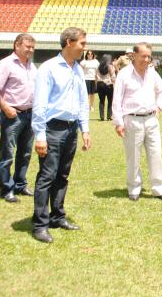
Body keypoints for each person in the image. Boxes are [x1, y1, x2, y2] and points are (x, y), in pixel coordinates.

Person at [31, 27, 91, 244]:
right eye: (82, 43)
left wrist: (84, 129)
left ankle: (57, 216)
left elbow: (83, 101)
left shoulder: (77, 69)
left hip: (70, 128)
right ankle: (40, 223)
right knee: (47, 175)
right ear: (68, 42)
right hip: (51, 128)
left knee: (62, 175)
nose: (85, 47)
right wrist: (40, 135)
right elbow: (39, 104)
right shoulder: (48, 68)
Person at [112, 42, 162, 202]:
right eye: (143, 56)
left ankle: (158, 188)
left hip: (151, 119)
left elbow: (161, 89)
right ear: (134, 55)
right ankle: (134, 188)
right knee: (133, 156)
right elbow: (116, 99)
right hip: (132, 119)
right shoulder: (124, 74)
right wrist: (118, 122)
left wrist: (159, 106)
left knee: (156, 154)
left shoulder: (152, 73)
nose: (146, 59)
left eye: (149, 56)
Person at [0, 33, 37, 203]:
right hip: (12, 115)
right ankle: (7, 188)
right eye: (27, 46)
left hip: (30, 114)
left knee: (25, 153)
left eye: (33, 47)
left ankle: (20, 184)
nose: (31, 50)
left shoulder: (31, 66)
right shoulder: (6, 64)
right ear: (17, 45)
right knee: (8, 153)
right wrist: (5, 107)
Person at [95, 54, 116, 121]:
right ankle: (109, 116)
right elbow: (113, 77)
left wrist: (96, 85)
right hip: (108, 84)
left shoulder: (98, 67)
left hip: (100, 84)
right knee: (110, 101)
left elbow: (96, 76)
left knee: (101, 101)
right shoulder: (110, 67)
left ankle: (102, 117)